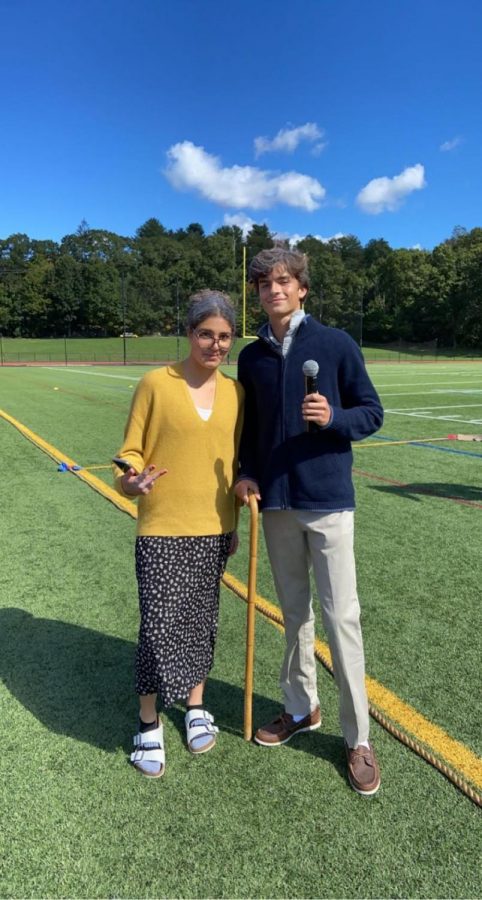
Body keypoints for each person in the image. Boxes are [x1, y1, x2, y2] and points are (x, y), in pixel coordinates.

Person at [235, 247, 384, 796]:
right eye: (264, 283)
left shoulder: (336, 344)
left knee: (340, 617)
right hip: (275, 503)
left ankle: (359, 738)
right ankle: (301, 710)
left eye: (283, 281)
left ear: (301, 289)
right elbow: (248, 431)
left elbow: (372, 411)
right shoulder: (251, 357)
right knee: (293, 613)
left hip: (327, 502)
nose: (273, 290)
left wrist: (334, 418)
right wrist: (248, 472)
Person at [114, 290, 244, 778]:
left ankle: (195, 707)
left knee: (201, 621)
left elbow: (233, 465)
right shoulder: (155, 384)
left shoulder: (236, 393)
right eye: (205, 334)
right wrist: (130, 480)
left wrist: (235, 522)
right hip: (163, 528)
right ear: (189, 334)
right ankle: (148, 722)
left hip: (215, 528)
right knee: (156, 629)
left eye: (224, 336)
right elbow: (129, 451)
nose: (214, 345)